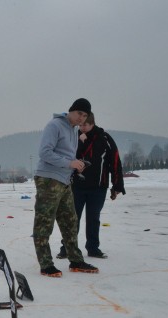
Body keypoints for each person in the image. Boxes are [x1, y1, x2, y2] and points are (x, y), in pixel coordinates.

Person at [33, 98, 98, 277]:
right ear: (71, 111)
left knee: (70, 221)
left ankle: (76, 260)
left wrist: (77, 164)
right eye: (79, 114)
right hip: (48, 179)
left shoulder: (74, 130)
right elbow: (45, 152)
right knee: (44, 222)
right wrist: (70, 163)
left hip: (64, 180)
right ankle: (46, 264)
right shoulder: (55, 126)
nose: (82, 118)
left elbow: (66, 155)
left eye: (85, 116)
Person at [57, 112, 125, 259]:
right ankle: (67, 247)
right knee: (72, 219)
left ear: (92, 123)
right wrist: (80, 142)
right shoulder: (74, 137)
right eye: (80, 125)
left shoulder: (104, 138)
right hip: (77, 186)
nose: (82, 128)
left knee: (93, 219)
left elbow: (114, 162)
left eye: (85, 125)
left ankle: (93, 248)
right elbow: (67, 157)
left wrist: (117, 185)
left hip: (98, 187)